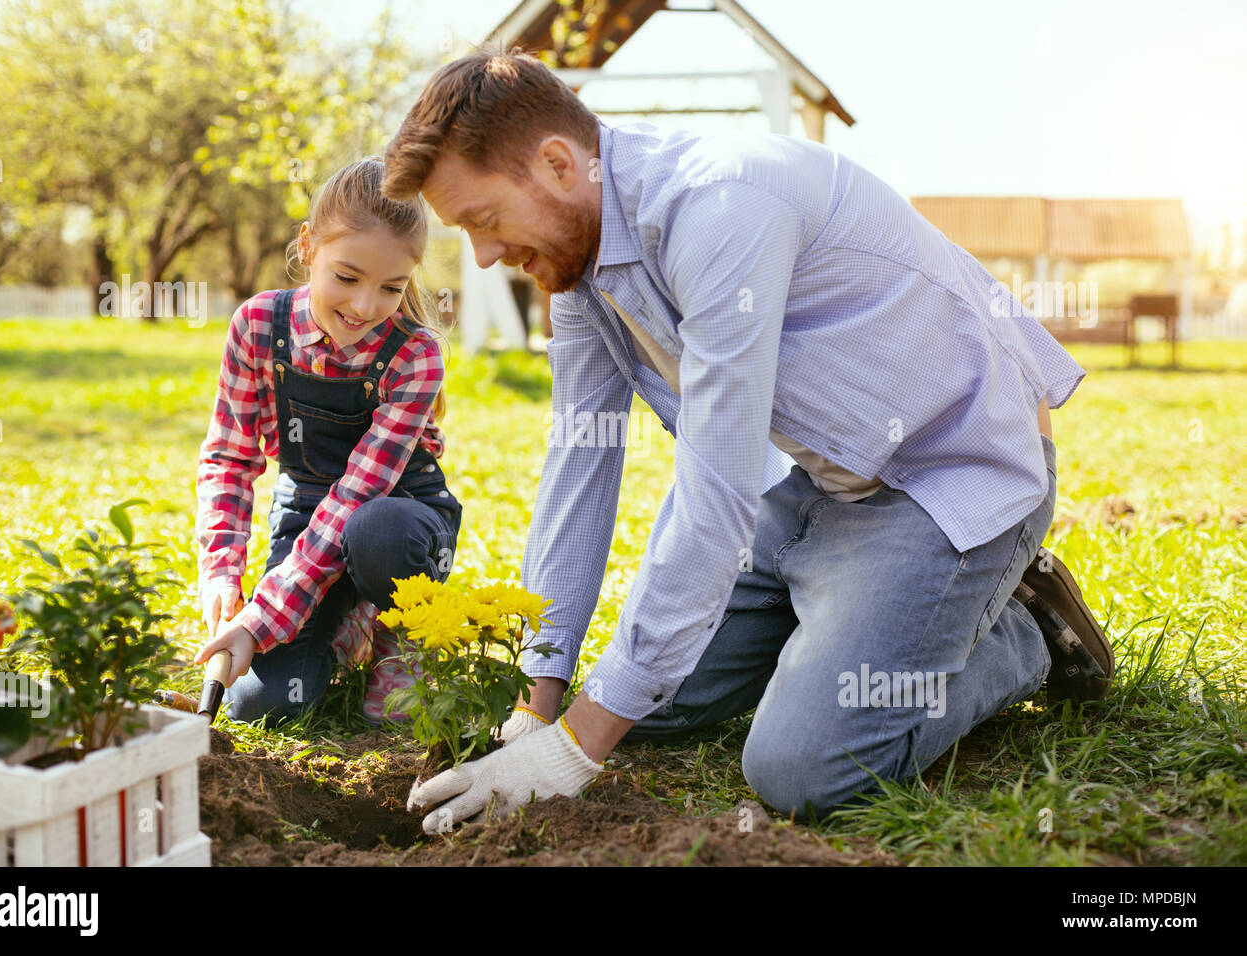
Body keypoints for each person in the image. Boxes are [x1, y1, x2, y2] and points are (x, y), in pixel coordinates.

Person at [385, 52, 1112, 833]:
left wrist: (577, 750)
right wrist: (542, 701)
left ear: (558, 164)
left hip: (955, 480)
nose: (485, 256)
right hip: (832, 486)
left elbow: (716, 500)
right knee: (647, 700)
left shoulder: (721, 207)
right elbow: (580, 468)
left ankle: (1020, 635)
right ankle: (844, 625)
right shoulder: (581, 270)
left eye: (483, 221)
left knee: (802, 768)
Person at [192, 157, 461, 725]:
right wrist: (223, 573)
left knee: (374, 533)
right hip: (305, 513)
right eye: (347, 277)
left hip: (396, 520)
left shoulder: (414, 356)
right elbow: (230, 458)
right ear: (308, 246)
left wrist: (262, 617)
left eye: (392, 287)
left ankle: (399, 631)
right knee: (261, 704)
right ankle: (344, 620)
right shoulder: (258, 326)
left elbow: (355, 500)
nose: (365, 307)